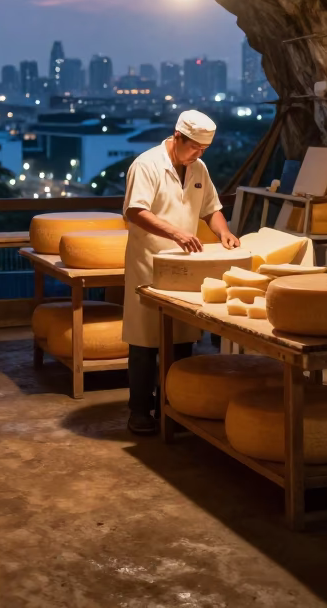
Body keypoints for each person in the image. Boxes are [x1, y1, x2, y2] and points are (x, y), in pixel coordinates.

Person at [121, 110, 240, 434]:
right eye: (194, 148)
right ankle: (139, 411)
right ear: (178, 138)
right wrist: (175, 233)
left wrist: (223, 232)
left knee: (183, 339)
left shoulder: (198, 168)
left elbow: (211, 208)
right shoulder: (147, 164)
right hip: (150, 263)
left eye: (204, 149)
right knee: (145, 342)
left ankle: (173, 404)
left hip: (187, 266)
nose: (199, 154)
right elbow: (135, 211)